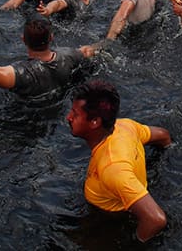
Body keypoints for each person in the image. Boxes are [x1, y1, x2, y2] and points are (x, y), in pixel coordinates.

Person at [67, 80, 171, 242]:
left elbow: (156, 219)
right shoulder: (125, 126)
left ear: (95, 122)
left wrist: (134, 244)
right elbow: (164, 135)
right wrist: (170, 151)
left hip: (110, 224)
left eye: (75, 114)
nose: (69, 117)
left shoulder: (113, 169)